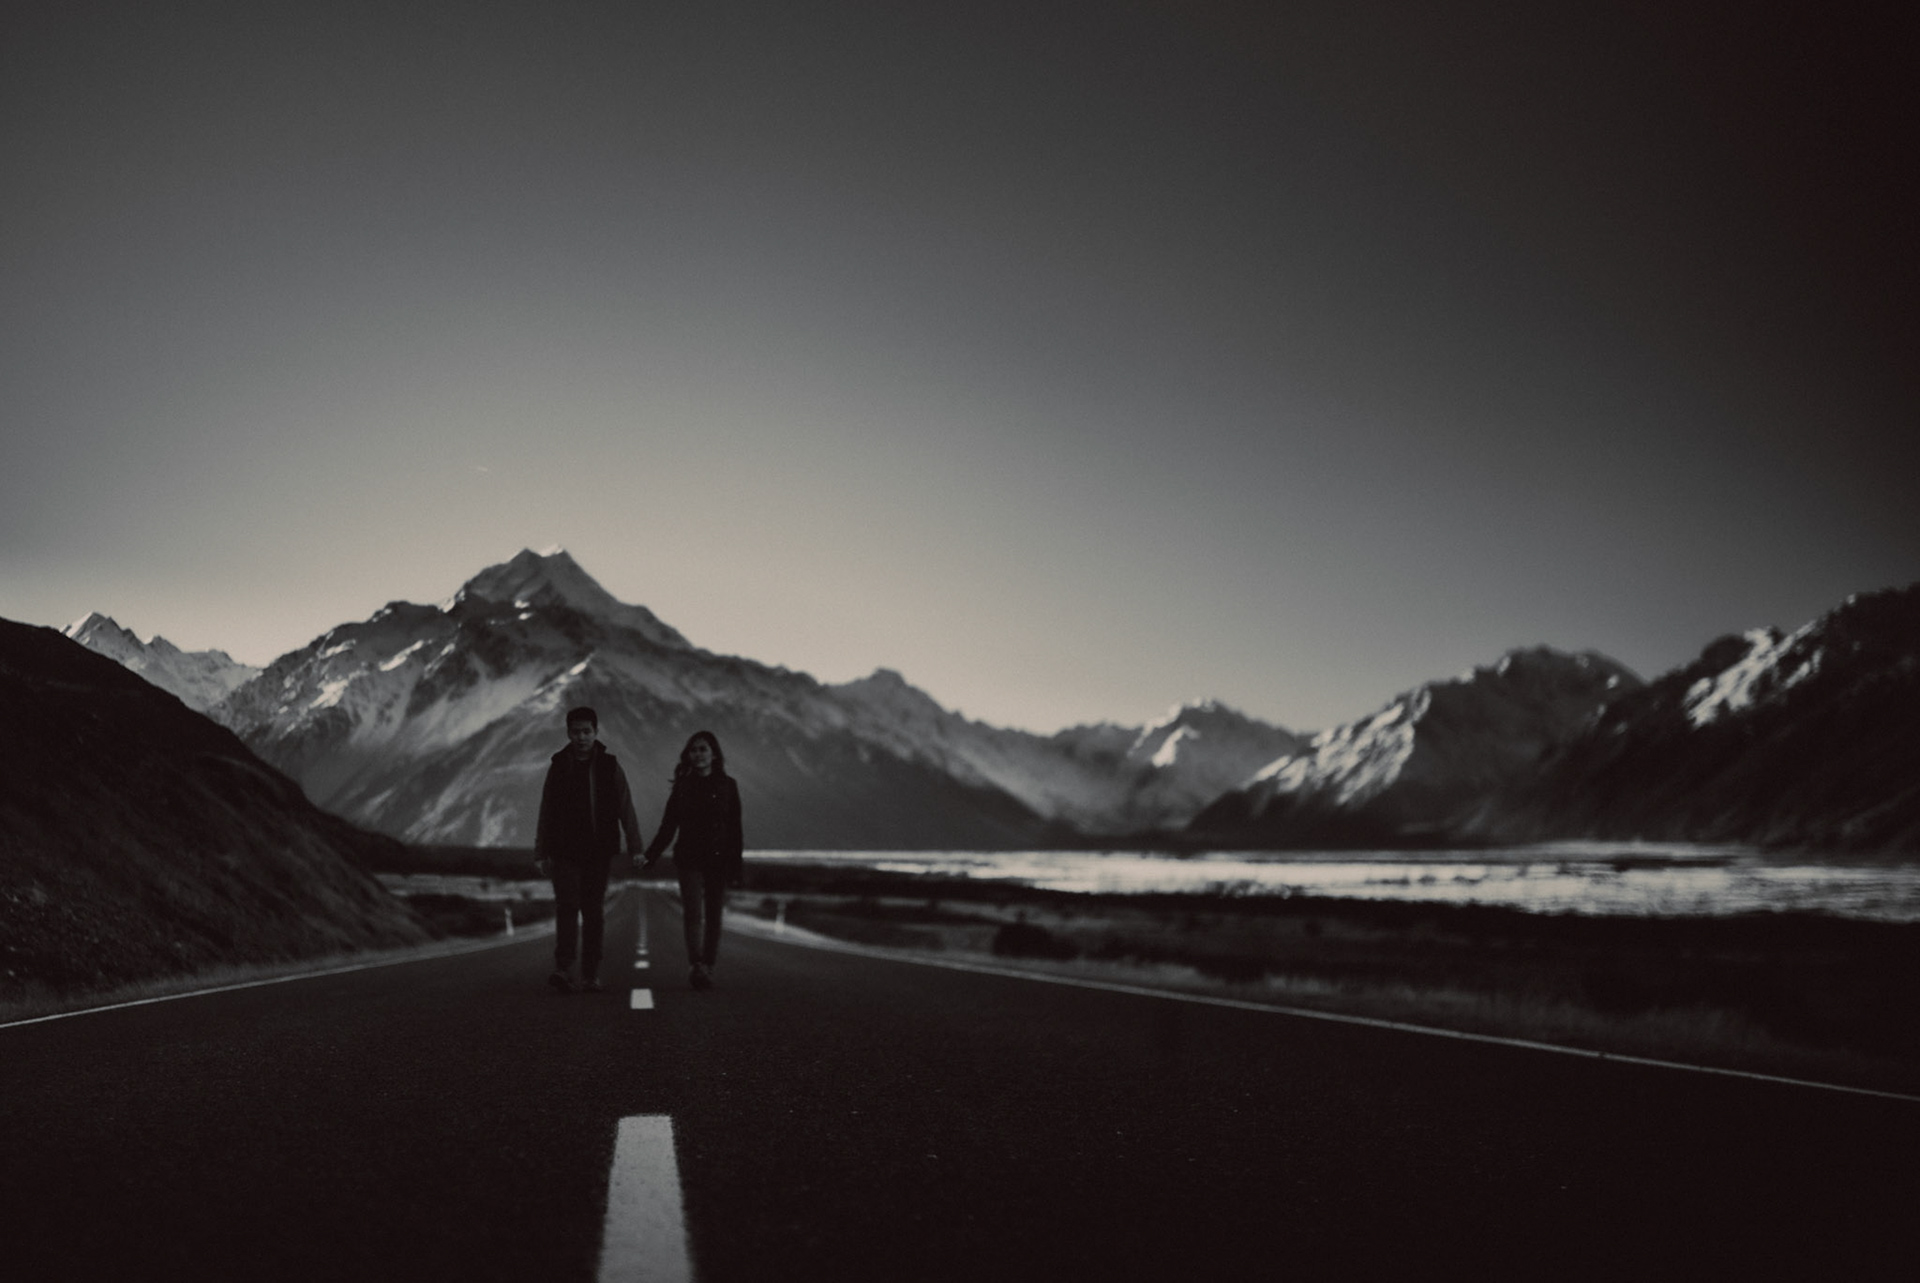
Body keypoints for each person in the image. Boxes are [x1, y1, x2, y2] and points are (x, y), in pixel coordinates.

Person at [534, 705, 645, 994]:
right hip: (564, 851)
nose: (581, 737)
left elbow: (626, 807)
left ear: (596, 733)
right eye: (576, 732)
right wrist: (540, 851)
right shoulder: (558, 766)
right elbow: (546, 810)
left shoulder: (610, 765)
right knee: (567, 907)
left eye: (587, 731)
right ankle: (563, 968)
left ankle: (591, 973)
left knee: (593, 911)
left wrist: (636, 847)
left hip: (598, 851)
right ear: (568, 734)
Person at [640, 730, 744, 990]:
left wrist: (736, 865)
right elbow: (668, 826)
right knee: (693, 915)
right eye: (693, 750)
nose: (698, 754)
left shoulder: (728, 786)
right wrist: (650, 855)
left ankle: (708, 965)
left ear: (714, 754)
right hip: (689, 859)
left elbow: (735, 829)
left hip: (719, 859)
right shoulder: (682, 787)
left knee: (714, 915)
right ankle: (696, 965)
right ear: (688, 755)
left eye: (703, 749)